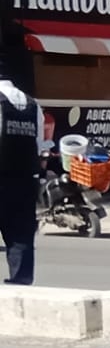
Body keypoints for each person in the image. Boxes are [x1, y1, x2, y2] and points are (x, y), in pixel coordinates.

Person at [0, 68, 46, 286]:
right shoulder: (32, 104)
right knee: (21, 236)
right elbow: (39, 145)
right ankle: (21, 285)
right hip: (26, 179)